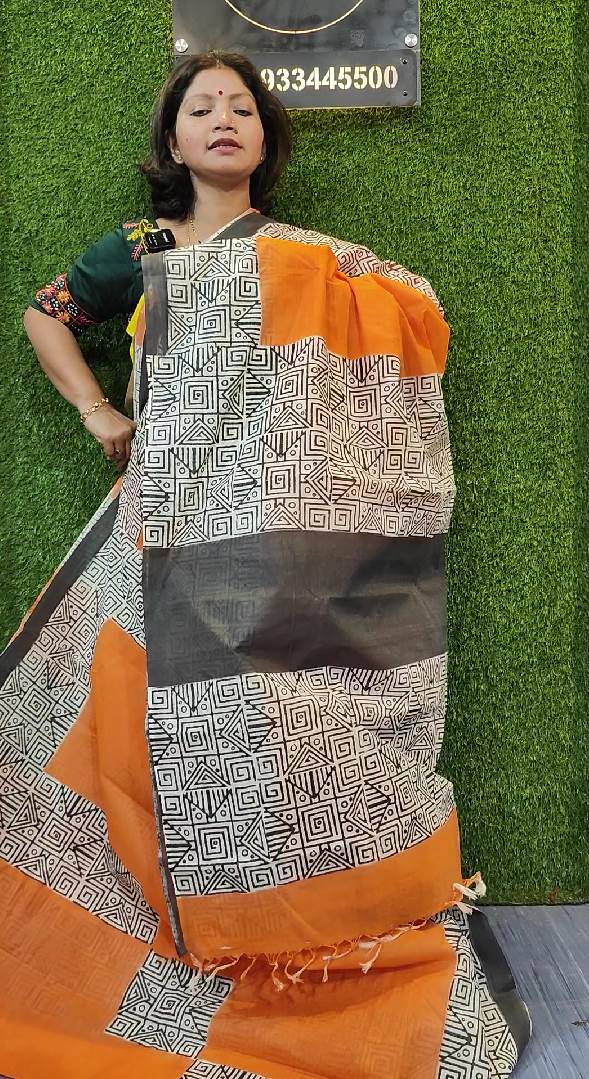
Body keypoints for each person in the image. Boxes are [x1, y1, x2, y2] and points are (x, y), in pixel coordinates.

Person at [0, 50, 530, 1079]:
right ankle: (148, 924)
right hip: (158, 535)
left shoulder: (313, 263)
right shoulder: (143, 249)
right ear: (172, 139)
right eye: (201, 105)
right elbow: (43, 313)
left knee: (278, 721)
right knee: (134, 726)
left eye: (241, 106)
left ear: (265, 137)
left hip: (276, 553)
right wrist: (98, 409)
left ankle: (278, 925)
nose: (222, 118)